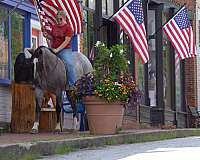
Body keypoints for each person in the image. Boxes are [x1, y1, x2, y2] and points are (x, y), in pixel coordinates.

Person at [43, 10, 76, 87]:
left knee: (69, 64)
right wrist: (47, 36)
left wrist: (57, 50)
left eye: (60, 19)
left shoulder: (68, 28)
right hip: (53, 49)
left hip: (64, 50)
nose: (58, 21)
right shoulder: (54, 27)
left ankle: (72, 84)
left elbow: (66, 41)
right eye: (57, 19)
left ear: (64, 18)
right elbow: (52, 38)